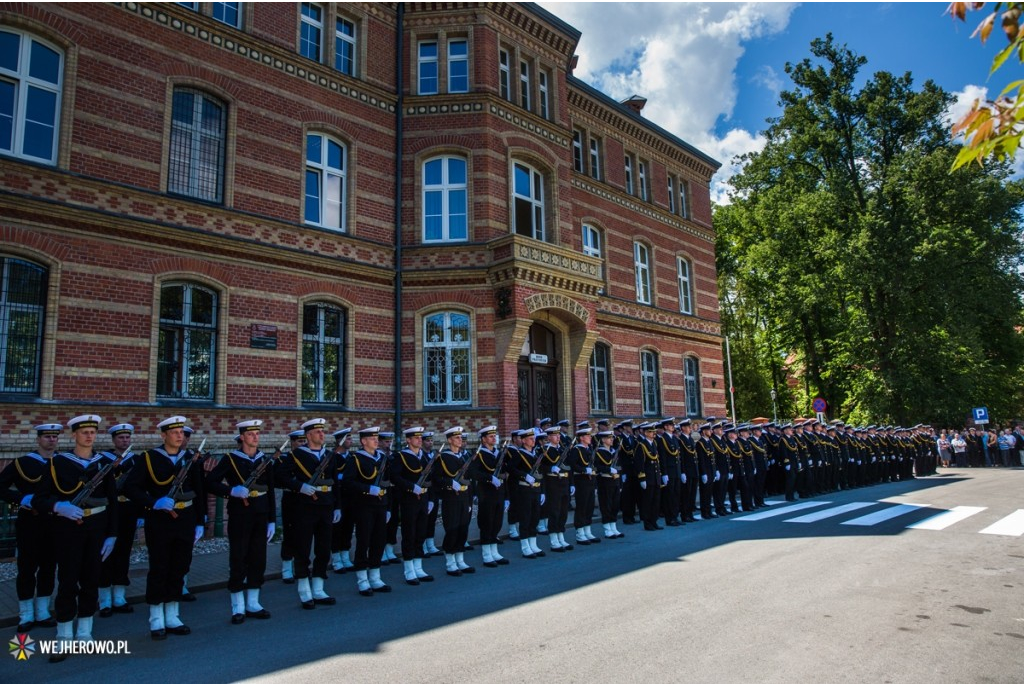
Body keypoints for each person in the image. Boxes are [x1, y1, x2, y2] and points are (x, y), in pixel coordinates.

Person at [34, 415, 118, 660]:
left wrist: (112, 535)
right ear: (74, 435)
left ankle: (84, 631)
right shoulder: (57, 463)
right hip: (69, 529)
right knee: (68, 580)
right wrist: (59, 507)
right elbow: (40, 498)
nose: (89, 436)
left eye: (92, 431)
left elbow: (113, 502)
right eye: (84, 432)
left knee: (91, 579)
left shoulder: (103, 464)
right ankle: (63, 635)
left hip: (96, 528)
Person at [124, 416, 205, 640]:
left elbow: (198, 490)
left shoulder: (189, 458)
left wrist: (200, 521)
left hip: (185, 517)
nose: (180, 435)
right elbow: (131, 488)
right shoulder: (149, 459)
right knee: (160, 566)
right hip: (160, 519)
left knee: (180, 566)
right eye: (175, 432)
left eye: (182, 432)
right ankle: (156, 617)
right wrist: (153, 503)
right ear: (163, 435)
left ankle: (172, 614)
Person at [204, 419, 276, 624]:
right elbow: (210, 482)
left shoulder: (264, 460)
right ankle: (238, 606)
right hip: (240, 515)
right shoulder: (230, 459)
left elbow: (270, 491)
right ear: (242, 437)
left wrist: (272, 520)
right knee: (238, 558)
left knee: (258, 558)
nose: (256, 437)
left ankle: (253, 602)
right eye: (251, 434)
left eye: (257, 433)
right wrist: (230, 491)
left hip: (261, 514)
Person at [0, 423, 61, 634]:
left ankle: (43, 611)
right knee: (27, 568)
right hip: (30, 522)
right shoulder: (22, 463)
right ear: (38, 439)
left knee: (48, 567)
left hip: (53, 522)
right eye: (47, 437)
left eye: (54, 437)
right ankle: (25, 613)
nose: (51, 440)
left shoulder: (61, 463)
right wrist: (21, 498)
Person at [276, 418, 341, 608]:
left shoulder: (329, 455)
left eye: (323, 431)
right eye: (318, 432)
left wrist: (337, 506)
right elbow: (281, 476)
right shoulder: (296, 455)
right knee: (303, 549)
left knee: (323, 548)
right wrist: (299, 486)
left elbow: (335, 482)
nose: (322, 434)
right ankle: (304, 590)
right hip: (304, 507)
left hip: (326, 506)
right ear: (308, 435)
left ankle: (319, 588)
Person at [342, 426, 392, 596]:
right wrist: (367, 489)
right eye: (372, 438)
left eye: (376, 438)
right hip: (364, 505)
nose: (376, 441)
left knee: (379, 541)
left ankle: (375, 577)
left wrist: (389, 507)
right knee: (364, 541)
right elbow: (347, 483)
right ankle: (362, 580)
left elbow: (388, 483)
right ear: (363, 441)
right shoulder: (355, 459)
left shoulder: (382, 458)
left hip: (381, 504)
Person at [97, 423, 139, 618]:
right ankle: (104, 599)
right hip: (108, 511)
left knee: (123, 551)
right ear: (113, 440)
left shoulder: (135, 459)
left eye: (127, 437)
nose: (125, 441)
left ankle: (119, 596)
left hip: (128, 509)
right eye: (121, 438)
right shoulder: (102, 460)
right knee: (106, 553)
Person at [390, 426, 435, 585]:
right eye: (416, 437)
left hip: (423, 499)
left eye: (420, 437)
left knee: (421, 533)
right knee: (409, 533)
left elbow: (430, 479)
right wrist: (410, 487)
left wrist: (430, 499)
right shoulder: (400, 457)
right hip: (408, 500)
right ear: (408, 440)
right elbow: (394, 477)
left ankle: (419, 567)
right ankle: (409, 570)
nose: (419, 440)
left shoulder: (424, 457)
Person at [435, 426, 475, 576]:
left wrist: (471, 500)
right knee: (452, 528)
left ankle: (460, 559)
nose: (460, 440)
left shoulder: (464, 457)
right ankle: (450, 562)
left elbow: (470, 479)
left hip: (465, 498)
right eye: (457, 438)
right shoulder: (443, 457)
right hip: (451, 498)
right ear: (450, 440)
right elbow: (437, 478)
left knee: (463, 528)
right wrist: (450, 483)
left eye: (461, 437)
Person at [468, 425, 510, 568]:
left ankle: (494, 551)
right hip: (486, 493)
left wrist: (506, 496)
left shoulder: (498, 453)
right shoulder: (479, 454)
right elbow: (473, 473)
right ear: (484, 439)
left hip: (498, 493)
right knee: (487, 523)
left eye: (494, 436)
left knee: (497, 523)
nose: (494, 438)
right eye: (491, 436)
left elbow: (504, 472)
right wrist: (489, 478)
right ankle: (487, 554)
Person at [507, 428, 545, 558]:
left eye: (534, 438)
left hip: (536, 489)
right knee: (525, 518)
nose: (533, 441)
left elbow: (540, 474)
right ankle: (525, 546)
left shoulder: (534, 455)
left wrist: (542, 491)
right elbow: (510, 469)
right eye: (530, 439)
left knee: (534, 517)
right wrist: (523, 476)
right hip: (524, 490)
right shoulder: (519, 454)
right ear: (523, 440)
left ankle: (533, 544)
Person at [279, 429, 306, 584]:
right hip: (290, 498)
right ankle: (287, 568)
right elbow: (279, 479)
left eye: (304, 441)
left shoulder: (308, 459)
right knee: (290, 533)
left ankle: (300, 566)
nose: (302, 444)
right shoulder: (285, 459)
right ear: (292, 443)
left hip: (304, 499)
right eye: (299, 441)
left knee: (304, 534)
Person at [566, 426, 600, 543]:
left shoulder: (588, 449)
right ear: (581, 438)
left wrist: (595, 484)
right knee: (582, 506)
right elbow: (572, 465)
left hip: (590, 482)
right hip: (581, 481)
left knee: (589, 506)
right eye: (588, 436)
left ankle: (587, 530)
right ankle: (580, 532)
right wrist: (583, 470)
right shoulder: (577, 450)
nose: (590, 438)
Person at [329, 427, 356, 574]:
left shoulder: (351, 457)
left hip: (350, 497)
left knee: (348, 527)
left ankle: (345, 555)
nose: (351, 441)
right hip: (336, 496)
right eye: (349, 439)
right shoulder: (332, 457)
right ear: (340, 440)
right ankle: (336, 558)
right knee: (336, 528)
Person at [593, 429, 624, 538]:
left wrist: (620, 484)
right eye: (609, 438)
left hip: (615, 481)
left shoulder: (613, 451)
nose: (611, 440)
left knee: (615, 505)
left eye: (612, 438)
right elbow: (596, 467)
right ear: (603, 440)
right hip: (605, 481)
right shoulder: (599, 452)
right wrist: (608, 470)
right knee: (606, 505)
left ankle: (613, 526)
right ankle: (607, 528)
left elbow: (618, 468)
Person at [635, 422, 663, 531]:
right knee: (648, 502)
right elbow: (640, 463)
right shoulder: (641, 445)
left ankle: (654, 521)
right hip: (648, 478)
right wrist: (642, 478)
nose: (653, 434)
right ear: (646, 433)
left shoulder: (654, 444)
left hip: (655, 477)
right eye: (651, 432)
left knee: (656, 501)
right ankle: (647, 523)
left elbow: (657, 461)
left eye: (654, 432)